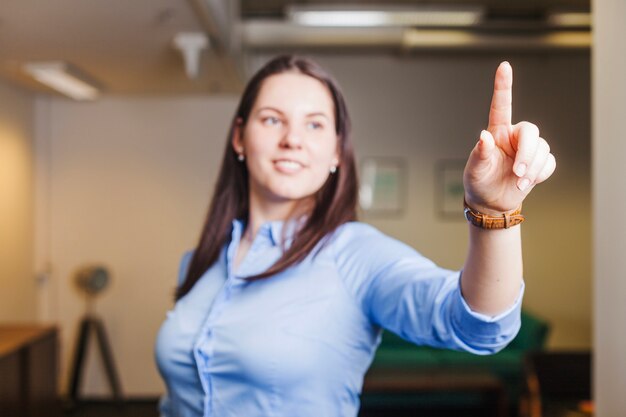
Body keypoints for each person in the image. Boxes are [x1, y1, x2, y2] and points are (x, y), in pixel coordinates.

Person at [154, 55, 556, 417]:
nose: (292, 139)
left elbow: (477, 326)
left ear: (335, 151)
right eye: (272, 119)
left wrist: (494, 212)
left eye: (314, 124)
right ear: (240, 137)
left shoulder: (355, 254)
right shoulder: (201, 259)